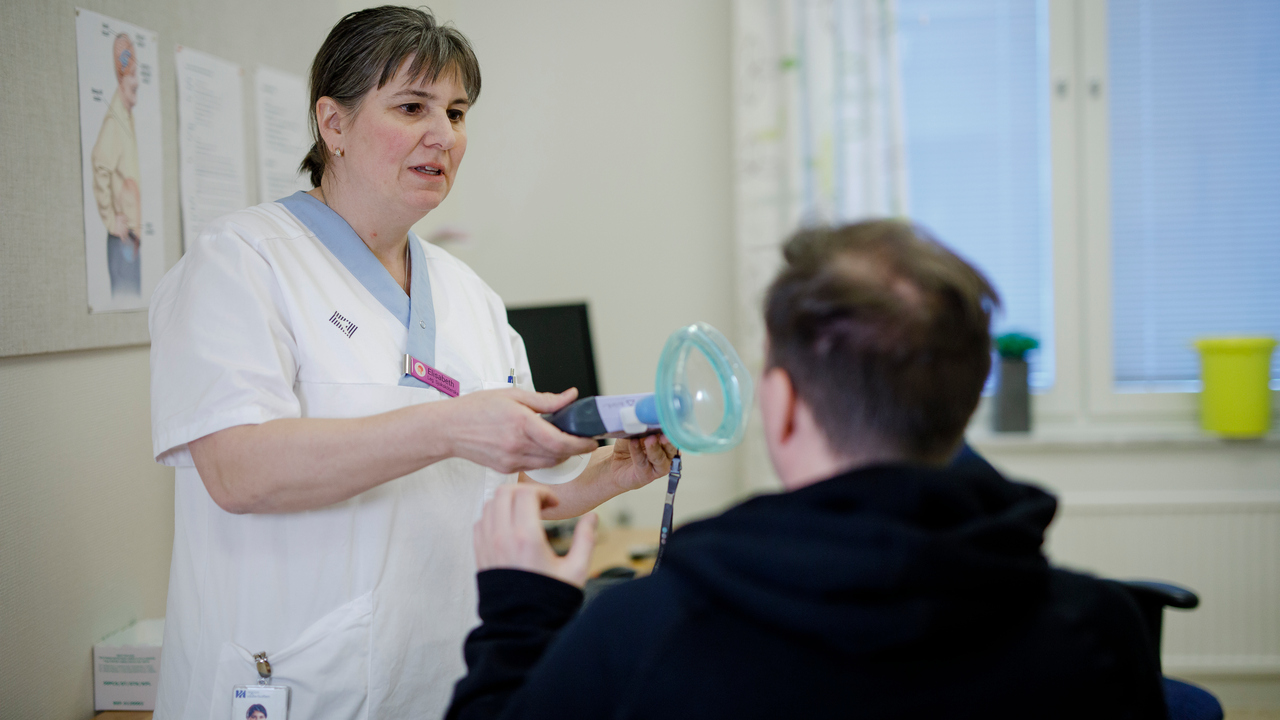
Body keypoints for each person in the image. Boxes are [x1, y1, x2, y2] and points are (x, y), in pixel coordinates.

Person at [148, 7, 675, 719]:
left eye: (457, 112)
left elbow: (491, 495)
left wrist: (603, 479)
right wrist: (450, 425)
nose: (443, 135)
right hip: (292, 682)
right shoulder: (241, 262)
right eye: (412, 107)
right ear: (332, 124)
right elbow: (237, 472)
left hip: (437, 677)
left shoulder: (471, 297)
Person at [448, 220, 1168, 719]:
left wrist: (517, 615)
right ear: (959, 402)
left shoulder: (644, 637)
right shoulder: (1100, 633)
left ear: (783, 407)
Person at [92, 31, 142, 296]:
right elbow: (100, 164)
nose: (138, 82)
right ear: (121, 77)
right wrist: (112, 221)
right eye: (132, 75)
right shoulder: (115, 122)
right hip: (122, 240)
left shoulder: (126, 117)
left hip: (131, 240)